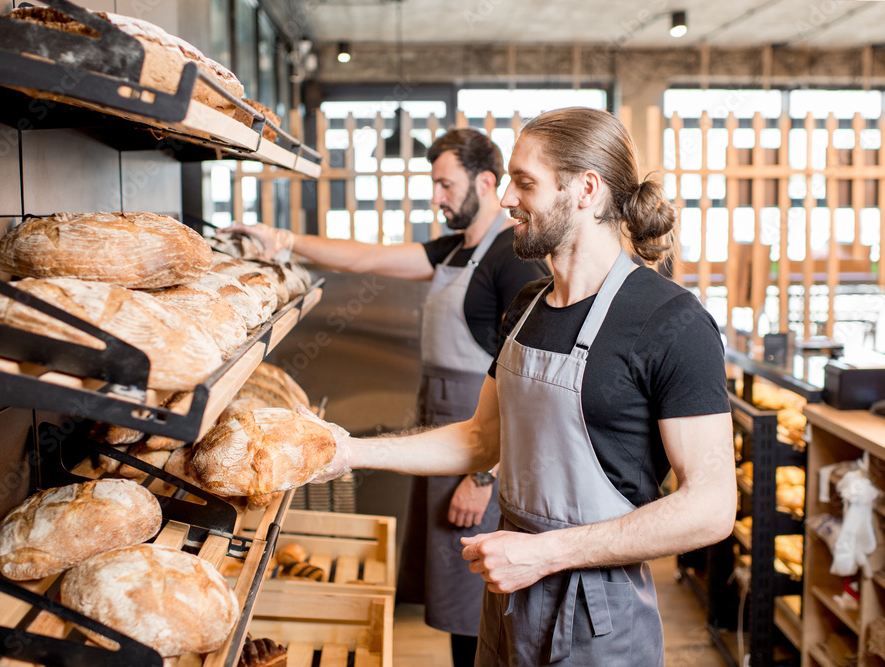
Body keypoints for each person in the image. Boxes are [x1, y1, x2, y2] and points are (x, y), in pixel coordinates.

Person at [302, 107, 738, 665]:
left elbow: (711, 505)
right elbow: (481, 440)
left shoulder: (672, 322)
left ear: (585, 189)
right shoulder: (527, 307)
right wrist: (349, 450)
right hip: (509, 592)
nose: (506, 198)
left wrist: (548, 553)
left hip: (596, 613)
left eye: (524, 182)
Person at [227, 127, 549, 665]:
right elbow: (368, 259)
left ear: (487, 182)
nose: (437, 196)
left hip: (482, 452)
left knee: (481, 595)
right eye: (435, 185)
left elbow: (527, 385)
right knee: (454, 593)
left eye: (446, 185)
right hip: (444, 441)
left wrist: (483, 477)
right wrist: (282, 240)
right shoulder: (455, 250)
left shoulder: (510, 260)